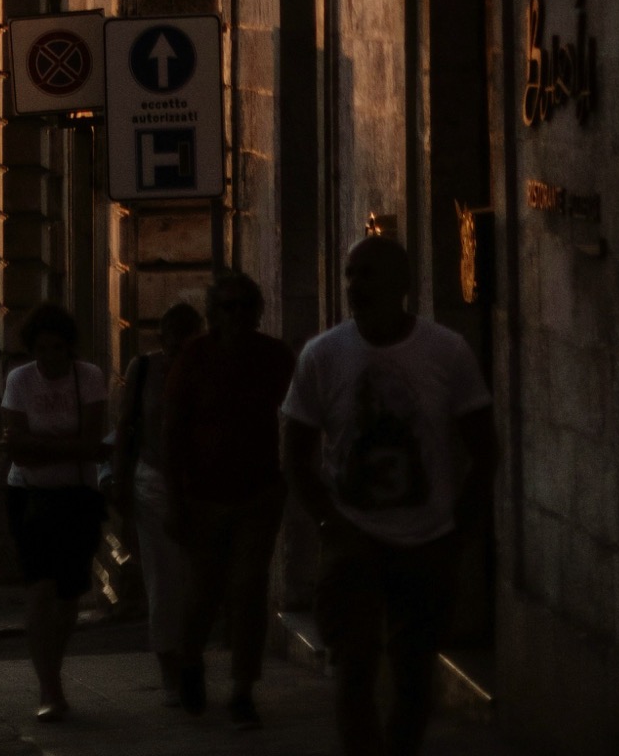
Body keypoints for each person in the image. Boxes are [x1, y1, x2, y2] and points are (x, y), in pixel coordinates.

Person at [280, 232, 494, 756]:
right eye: (351, 274)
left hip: (427, 540)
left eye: (368, 274)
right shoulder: (323, 355)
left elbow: (483, 447)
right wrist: (329, 521)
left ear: (402, 284)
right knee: (352, 665)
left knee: (414, 669)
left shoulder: (446, 351)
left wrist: (458, 528)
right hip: (354, 538)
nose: (356, 286)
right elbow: (295, 451)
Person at [161, 269, 295, 724]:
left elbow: (300, 413)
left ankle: (242, 689)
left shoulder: (274, 356)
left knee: (249, 588)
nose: (237, 315)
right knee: (203, 591)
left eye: (244, 306)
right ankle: (191, 660)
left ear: (256, 311)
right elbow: (173, 429)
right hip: (203, 494)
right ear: (214, 313)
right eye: (227, 306)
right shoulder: (195, 357)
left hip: (258, 491)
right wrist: (173, 498)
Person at [0, 302, 109, 724]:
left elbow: (91, 440)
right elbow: (17, 451)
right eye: (41, 349)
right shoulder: (20, 380)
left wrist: (39, 447)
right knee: (40, 589)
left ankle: (54, 668)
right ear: (32, 350)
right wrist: (68, 447)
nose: (50, 358)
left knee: (68, 596)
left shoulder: (90, 378)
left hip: (77, 497)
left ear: (70, 349)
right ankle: (49, 687)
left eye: (58, 349)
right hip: (28, 497)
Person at [109, 298, 203, 699]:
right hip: (154, 483)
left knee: (195, 582)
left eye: (186, 342)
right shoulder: (145, 369)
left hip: (201, 486)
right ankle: (170, 669)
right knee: (164, 583)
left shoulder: (205, 369)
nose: (177, 350)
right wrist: (120, 482)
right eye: (171, 342)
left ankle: (192, 662)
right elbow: (125, 424)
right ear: (161, 338)